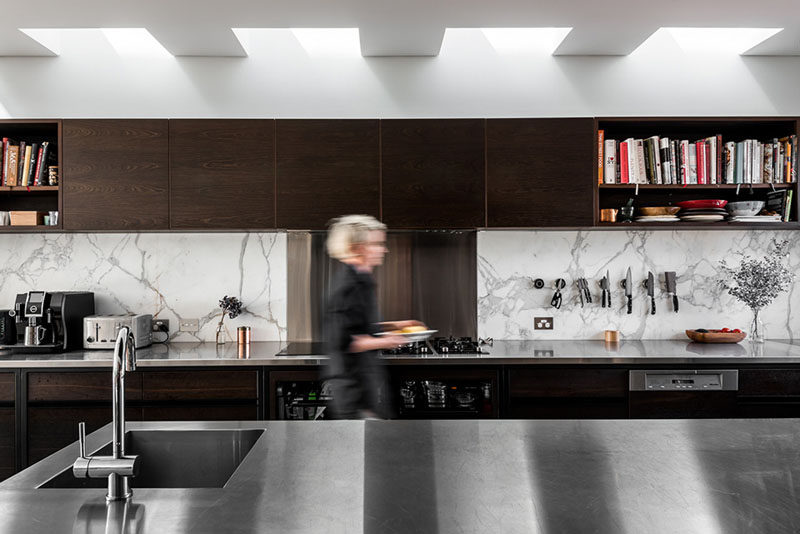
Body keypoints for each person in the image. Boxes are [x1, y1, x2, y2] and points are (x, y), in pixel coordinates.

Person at [323, 215, 422, 419]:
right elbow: (345, 340)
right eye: (377, 244)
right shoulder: (348, 286)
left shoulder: (362, 280)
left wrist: (395, 325)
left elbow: (359, 326)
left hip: (365, 381)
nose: (384, 249)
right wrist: (387, 341)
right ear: (358, 248)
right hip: (352, 389)